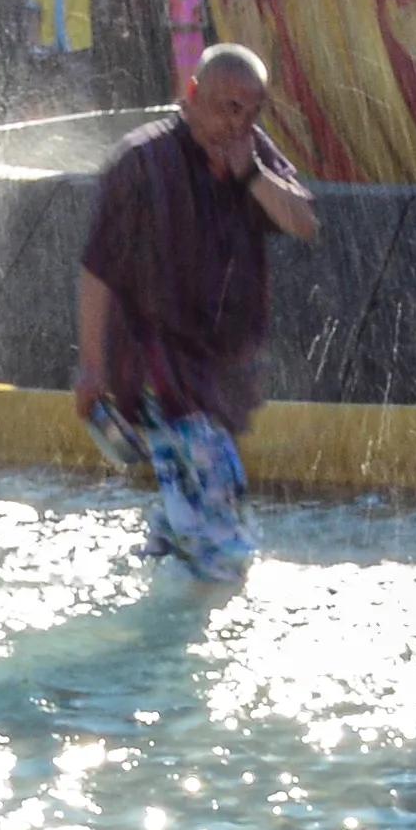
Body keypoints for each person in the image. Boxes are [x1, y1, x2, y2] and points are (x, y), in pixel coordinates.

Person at [75, 41, 322, 585]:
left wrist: (253, 175)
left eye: (251, 111)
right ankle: (210, 618)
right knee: (218, 488)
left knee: (188, 495)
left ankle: (163, 572)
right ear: (191, 96)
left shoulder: (252, 151)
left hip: (218, 369)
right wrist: (91, 365)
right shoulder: (141, 162)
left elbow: (305, 221)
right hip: (154, 369)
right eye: (225, 107)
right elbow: (97, 270)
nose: (237, 122)